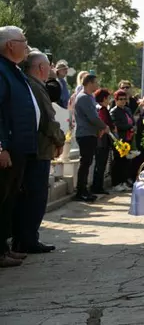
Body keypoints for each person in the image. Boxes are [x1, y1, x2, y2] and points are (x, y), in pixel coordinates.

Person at [13, 50, 65, 254]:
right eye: (49, 67)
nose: (51, 70)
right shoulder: (35, 87)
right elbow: (47, 119)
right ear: (41, 68)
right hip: (39, 150)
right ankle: (27, 239)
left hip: (36, 148)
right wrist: (59, 139)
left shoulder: (30, 84)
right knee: (35, 196)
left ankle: (25, 238)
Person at [0, 26, 39, 267]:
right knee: (2, 199)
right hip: (8, 147)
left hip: (20, 146)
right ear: (9, 45)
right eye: (22, 41)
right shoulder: (2, 71)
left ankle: (4, 247)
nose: (26, 45)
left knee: (9, 200)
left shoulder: (12, 70)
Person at [73, 74, 109, 202]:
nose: (97, 85)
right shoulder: (83, 98)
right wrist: (104, 126)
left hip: (91, 133)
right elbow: (92, 117)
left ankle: (84, 189)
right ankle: (81, 190)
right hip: (85, 134)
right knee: (85, 162)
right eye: (95, 83)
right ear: (89, 83)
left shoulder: (89, 97)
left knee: (87, 163)